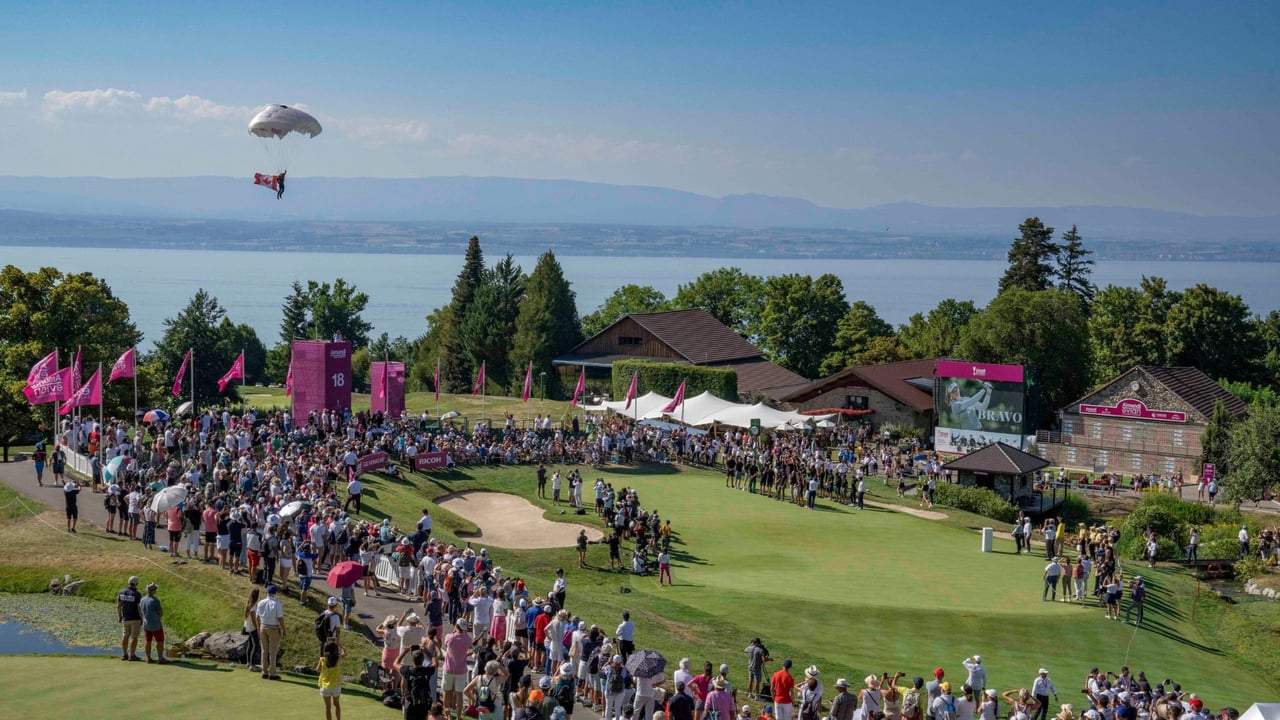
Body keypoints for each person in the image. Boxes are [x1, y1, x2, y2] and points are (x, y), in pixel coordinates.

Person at [443, 619, 474, 718]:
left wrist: (454, 631)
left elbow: (446, 645)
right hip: (461, 670)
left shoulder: (449, 637)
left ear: (456, 626)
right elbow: (470, 645)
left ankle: (447, 715)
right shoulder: (467, 639)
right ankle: (458, 717)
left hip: (448, 668)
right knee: (459, 694)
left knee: (447, 692)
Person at [255, 584, 286, 680]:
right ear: (275, 593)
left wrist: (258, 628)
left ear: (267, 593)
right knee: (273, 652)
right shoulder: (277, 603)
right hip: (273, 628)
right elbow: (280, 618)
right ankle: (272, 673)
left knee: (264, 651)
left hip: (263, 626)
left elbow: (257, 617)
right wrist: (283, 629)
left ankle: (264, 671)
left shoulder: (261, 602)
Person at [140, 582, 169, 664]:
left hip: (146, 624)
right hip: (156, 625)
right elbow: (160, 612)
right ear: (153, 590)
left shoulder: (142, 599)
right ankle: (160, 658)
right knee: (159, 641)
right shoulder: (155, 600)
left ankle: (148, 658)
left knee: (147, 641)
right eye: (155, 589)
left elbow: (141, 611)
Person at [317, 638, 345, 720]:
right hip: (336, 685)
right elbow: (344, 653)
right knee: (336, 704)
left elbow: (318, 670)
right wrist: (340, 645)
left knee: (327, 707)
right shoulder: (338, 658)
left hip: (325, 687)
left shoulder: (322, 659)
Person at [117, 575, 143, 661]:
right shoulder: (137, 594)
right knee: (134, 637)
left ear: (128, 583)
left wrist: (120, 616)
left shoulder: (121, 592)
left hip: (125, 618)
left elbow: (118, 606)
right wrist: (142, 618)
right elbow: (139, 607)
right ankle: (132, 655)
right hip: (135, 619)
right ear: (137, 584)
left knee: (125, 636)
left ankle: (124, 654)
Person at [243, 588, 262, 672]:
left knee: (250, 644)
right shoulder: (253, 608)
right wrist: (258, 629)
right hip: (252, 628)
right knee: (256, 645)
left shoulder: (249, 603)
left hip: (248, 626)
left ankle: (248, 662)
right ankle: (252, 665)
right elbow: (254, 621)